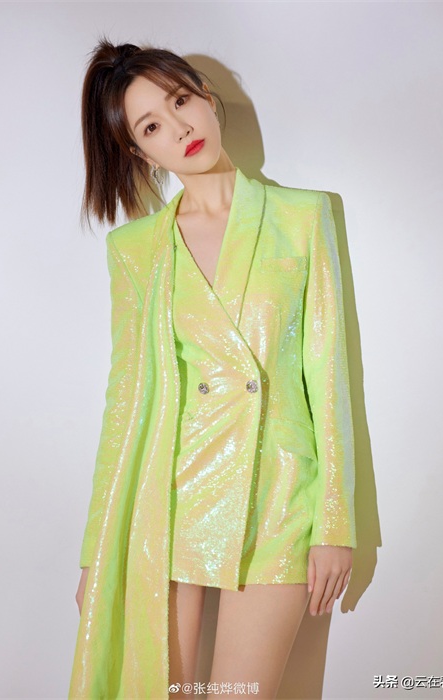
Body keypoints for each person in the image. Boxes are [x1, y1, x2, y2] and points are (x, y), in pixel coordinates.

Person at [68, 37, 357, 700]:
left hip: (278, 495)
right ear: (139, 152)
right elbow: (124, 402)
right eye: (150, 127)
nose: (179, 129)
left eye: (179, 101)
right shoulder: (135, 250)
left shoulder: (304, 216)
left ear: (205, 96)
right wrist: (97, 551)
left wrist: (334, 524)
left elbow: (328, 374)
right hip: (165, 498)